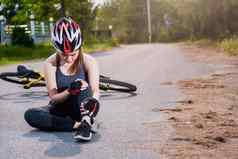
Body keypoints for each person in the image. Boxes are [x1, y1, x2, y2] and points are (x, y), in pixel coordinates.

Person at [24, 17, 100, 142]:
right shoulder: (50, 63)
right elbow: (54, 98)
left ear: (80, 47)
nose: (69, 59)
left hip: (82, 106)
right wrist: (69, 91)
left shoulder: (89, 61)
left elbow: (95, 91)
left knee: (82, 85)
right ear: (56, 49)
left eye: (73, 54)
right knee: (30, 115)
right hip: (60, 106)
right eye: (64, 55)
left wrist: (92, 102)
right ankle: (76, 125)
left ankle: (86, 121)